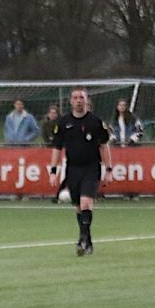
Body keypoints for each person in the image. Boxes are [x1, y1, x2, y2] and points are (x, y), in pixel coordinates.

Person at [49, 87, 112, 256]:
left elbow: (104, 146)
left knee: (86, 203)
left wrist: (108, 169)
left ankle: (82, 239)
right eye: (75, 97)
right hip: (72, 169)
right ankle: (87, 240)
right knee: (79, 207)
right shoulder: (63, 123)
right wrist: (53, 171)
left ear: (87, 100)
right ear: (71, 101)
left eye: (81, 97)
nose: (78, 100)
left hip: (91, 168)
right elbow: (57, 148)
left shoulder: (95, 122)